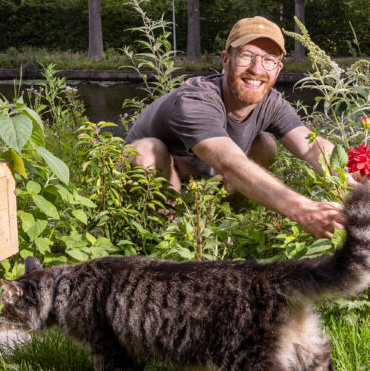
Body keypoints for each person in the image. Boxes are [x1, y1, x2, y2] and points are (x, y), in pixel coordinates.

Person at [125, 16, 347, 239]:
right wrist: (302, 209)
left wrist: (349, 177)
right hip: (159, 179)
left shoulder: (272, 103)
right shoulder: (195, 101)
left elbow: (310, 146)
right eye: (246, 55)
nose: (256, 68)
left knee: (264, 145)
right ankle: (159, 237)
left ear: (278, 69)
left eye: (269, 59)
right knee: (146, 150)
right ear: (226, 59)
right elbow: (229, 162)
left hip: (205, 181)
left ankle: (226, 229)